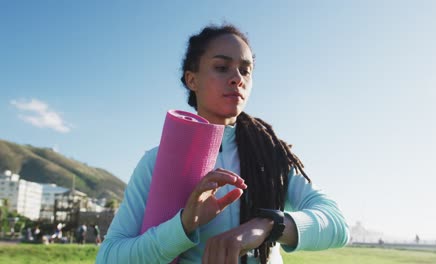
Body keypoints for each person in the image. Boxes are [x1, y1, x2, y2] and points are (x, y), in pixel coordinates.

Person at [96, 24, 349, 264]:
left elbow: (337, 224)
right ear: (191, 80)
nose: (237, 78)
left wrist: (268, 225)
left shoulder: (271, 157)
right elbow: (109, 257)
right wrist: (183, 225)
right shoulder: (156, 162)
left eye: (245, 70)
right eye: (221, 67)